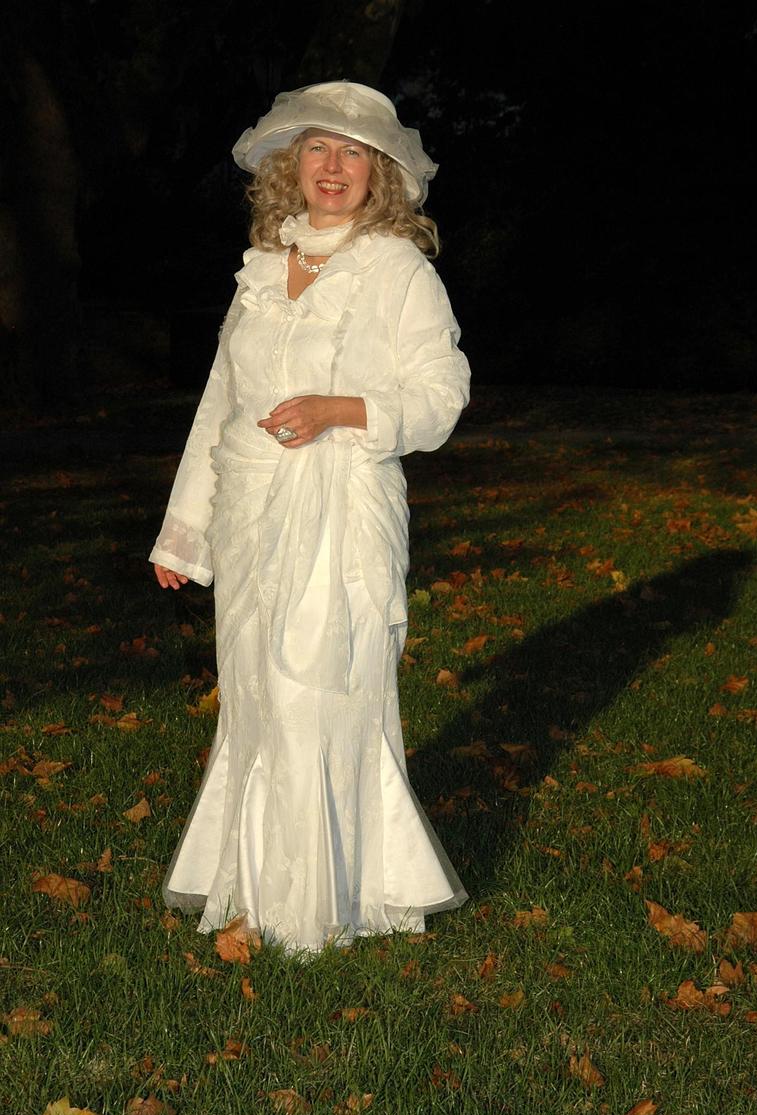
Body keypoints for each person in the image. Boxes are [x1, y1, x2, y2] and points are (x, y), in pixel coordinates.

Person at [149, 80, 471, 957]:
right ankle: (259, 893)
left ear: (380, 173)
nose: (334, 167)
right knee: (257, 693)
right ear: (291, 165)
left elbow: (441, 398)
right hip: (252, 512)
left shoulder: (398, 272)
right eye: (319, 149)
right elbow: (220, 405)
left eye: (353, 152)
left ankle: (319, 909)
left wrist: (342, 410)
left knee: (315, 692)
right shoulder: (261, 270)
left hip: (343, 509)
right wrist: (185, 532)